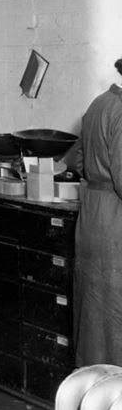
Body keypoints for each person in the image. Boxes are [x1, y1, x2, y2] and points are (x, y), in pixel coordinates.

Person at [74, 57, 122, 366]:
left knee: (94, 315)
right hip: (116, 220)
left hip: (92, 214)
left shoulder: (98, 103)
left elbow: (78, 162)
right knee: (114, 315)